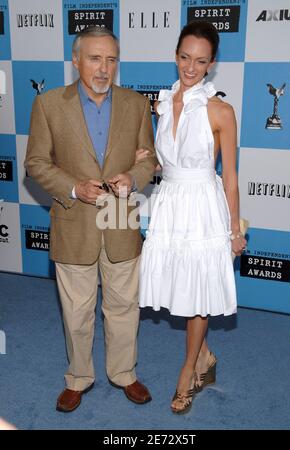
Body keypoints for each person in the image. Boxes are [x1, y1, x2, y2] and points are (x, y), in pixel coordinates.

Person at [25, 27, 157, 412]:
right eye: (95, 58)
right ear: (76, 61)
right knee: (77, 310)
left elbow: (148, 158)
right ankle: (79, 378)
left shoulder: (135, 104)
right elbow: (35, 162)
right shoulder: (48, 104)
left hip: (120, 219)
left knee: (124, 306)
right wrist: (73, 188)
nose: (104, 68)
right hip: (74, 223)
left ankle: (124, 373)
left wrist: (134, 177)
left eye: (111, 59)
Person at [138, 21, 247, 414]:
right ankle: (204, 357)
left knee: (198, 291)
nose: (190, 67)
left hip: (203, 205)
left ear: (212, 64)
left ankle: (188, 372)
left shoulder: (221, 110)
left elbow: (231, 176)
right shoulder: (161, 104)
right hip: (170, 201)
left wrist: (235, 229)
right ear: (176, 55)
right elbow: (162, 157)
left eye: (200, 61)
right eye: (185, 57)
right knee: (179, 287)